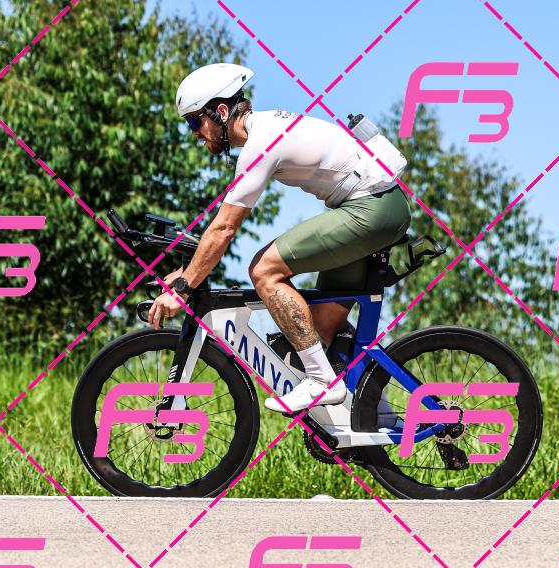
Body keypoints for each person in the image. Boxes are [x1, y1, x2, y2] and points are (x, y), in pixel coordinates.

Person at [146, 63, 411, 413]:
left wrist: (184, 286)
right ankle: (376, 414)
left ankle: (321, 381)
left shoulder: (261, 143)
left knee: (264, 269)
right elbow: (221, 228)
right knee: (321, 326)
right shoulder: (267, 128)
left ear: (221, 112)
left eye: (195, 122)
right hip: (377, 206)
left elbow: (224, 228)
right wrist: (189, 273)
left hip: (372, 207)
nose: (194, 133)